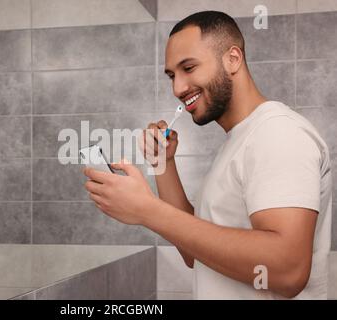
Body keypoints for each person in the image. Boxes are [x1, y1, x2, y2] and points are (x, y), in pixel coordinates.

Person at [82, 11, 332, 299]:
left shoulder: (278, 133)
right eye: (172, 76)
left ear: (233, 59)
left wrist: (147, 210)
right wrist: (163, 163)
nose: (177, 88)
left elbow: (287, 271)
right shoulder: (240, 140)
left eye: (188, 68)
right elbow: (194, 253)